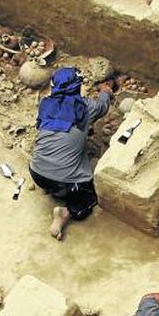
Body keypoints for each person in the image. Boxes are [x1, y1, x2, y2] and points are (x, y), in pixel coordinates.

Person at [29, 67, 112, 240]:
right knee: (96, 191)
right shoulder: (86, 107)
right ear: (77, 86)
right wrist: (105, 92)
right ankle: (66, 212)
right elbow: (103, 106)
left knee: (65, 156)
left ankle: (51, 188)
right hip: (62, 180)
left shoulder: (45, 104)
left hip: (36, 172)